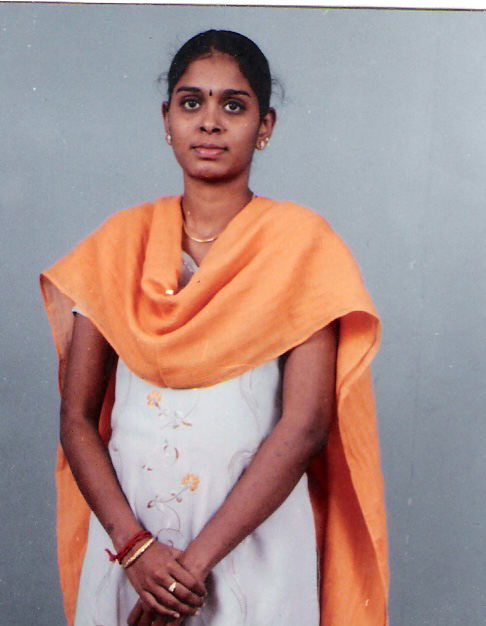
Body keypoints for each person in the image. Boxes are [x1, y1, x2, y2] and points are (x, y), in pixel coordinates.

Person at [40, 30, 389, 626]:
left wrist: (191, 568)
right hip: (131, 545)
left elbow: (305, 426)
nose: (209, 122)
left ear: (265, 125)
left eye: (233, 105)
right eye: (191, 102)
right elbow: (76, 420)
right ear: (166, 119)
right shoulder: (116, 247)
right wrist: (137, 552)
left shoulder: (302, 249)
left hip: (252, 542)